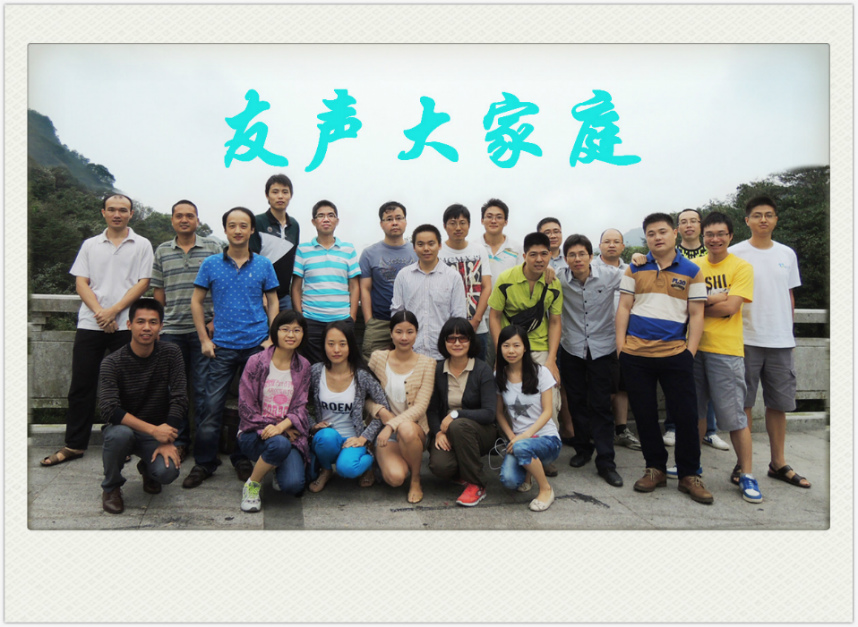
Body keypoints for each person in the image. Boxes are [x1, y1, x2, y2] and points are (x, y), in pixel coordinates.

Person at [42, 194, 153, 468]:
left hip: (126, 324)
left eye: (123, 210)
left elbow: (143, 283)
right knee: (82, 385)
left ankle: (123, 442)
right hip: (91, 323)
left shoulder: (142, 244)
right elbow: (81, 283)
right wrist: (101, 314)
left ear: (131, 214)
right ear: (103, 212)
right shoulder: (90, 244)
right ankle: (74, 444)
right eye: (112, 209)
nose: (117, 214)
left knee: (127, 387)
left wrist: (114, 311)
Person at [616, 212, 713, 504]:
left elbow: (697, 314)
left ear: (674, 233)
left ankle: (689, 474)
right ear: (646, 238)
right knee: (645, 416)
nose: (657, 237)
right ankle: (655, 468)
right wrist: (621, 348)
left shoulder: (693, 271)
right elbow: (624, 308)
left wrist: (689, 352)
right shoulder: (635, 268)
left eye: (662, 231)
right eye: (651, 234)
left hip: (675, 354)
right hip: (636, 355)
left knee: (686, 416)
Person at [183, 207, 280, 489]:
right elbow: (196, 301)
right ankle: (204, 462)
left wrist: (271, 338)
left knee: (251, 408)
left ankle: (243, 459)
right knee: (210, 406)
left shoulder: (264, 264)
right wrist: (204, 339)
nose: (238, 230)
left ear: (252, 230)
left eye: (244, 225)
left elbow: (273, 301)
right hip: (222, 347)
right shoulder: (211, 264)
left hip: (256, 346)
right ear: (225, 229)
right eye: (232, 225)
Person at [730, 195, 810, 488]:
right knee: (744, 404)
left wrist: (788, 329)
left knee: (779, 404)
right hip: (745, 338)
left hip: (780, 340)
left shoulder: (787, 254)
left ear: (776, 219)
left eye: (769, 215)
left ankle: (778, 463)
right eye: (757, 215)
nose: (763, 219)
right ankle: (743, 463)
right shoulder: (734, 253)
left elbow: (789, 294)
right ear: (747, 220)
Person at [684, 212, 760, 503]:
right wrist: (717, 297)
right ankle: (692, 468)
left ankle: (747, 473)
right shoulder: (694, 267)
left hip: (726, 351)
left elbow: (731, 308)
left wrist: (702, 303)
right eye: (710, 235)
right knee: (695, 414)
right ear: (703, 236)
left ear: (730, 236)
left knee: (734, 417)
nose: (715, 239)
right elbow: (686, 305)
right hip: (694, 347)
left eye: (721, 234)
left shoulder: (741, 267)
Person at [487, 232, 568, 473]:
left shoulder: (553, 282)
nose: (539, 259)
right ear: (524, 256)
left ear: (551, 255)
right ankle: (514, 447)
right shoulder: (506, 279)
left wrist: (551, 359)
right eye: (533, 254)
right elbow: (494, 316)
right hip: (510, 347)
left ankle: (544, 453)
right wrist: (500, 353)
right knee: (509, 400)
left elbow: (555, 321)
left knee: (551, 401)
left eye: (544, 254)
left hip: (539, 347)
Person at [98, 298, 187, 514]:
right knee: (119, 435)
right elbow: (108, 409)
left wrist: (166, 437)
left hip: (157, 431)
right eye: (140, 321)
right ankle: (111, 487)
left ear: (161, 327)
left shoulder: (171, 353)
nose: (146, 327)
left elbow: (180, 398)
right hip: (124, 429)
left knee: (167, 472)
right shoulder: (112, 362)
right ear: (129, 325)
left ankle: (148, 468)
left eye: (153, 322)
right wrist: (154, 431)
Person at [151, 199, 223, 461]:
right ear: (172, 220)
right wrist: (162, 321)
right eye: (179, 216)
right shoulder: (162, 251)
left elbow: (223, 286)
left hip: (205, 330)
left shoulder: (213, 248)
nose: (184, 220)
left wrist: (215, 320)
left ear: (197, 220)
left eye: (190, 216)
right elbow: (159, 292)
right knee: (174, 390)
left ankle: (204, 445)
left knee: (203, 390)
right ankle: (179, 441)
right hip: (172, 330)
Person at [558, 234, 624, 487]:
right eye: (572, 255)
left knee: (601, 405)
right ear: (565, 259)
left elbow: (636, 276)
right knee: (576, 402)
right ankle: (583, 449)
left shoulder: (610, 275)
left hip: (602, 348)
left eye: (582, 254)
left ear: (591, 255)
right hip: (572, 347)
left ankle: (606, 462)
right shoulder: (559, 277)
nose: (577, 259)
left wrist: (642, 258)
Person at [663, 208, 727, 451]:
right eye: (683, 221)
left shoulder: (712, 252)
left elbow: (725, 291)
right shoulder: (671, 253)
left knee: (705, 384)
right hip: (677, 327)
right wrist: (712, 297)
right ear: (677, 229)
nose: (688, 225)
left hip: (709, 329)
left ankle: (709, 430)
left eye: (693, 221)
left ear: (701, 225)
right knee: (675, 380)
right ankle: (672, 427)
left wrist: (704, 299)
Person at [236, 310, 312, 513]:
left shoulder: (303, 366)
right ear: (275, 332)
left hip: (286, 433)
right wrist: (278, 429)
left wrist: (282, 427)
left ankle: (274, 465)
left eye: (297, 330)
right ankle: (252, 484)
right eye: (285, 329)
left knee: (293, 485)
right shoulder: (256, 362)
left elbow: (301, 406)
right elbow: (246, 406)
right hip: (254, 433)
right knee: (279, 444)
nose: (291, 335)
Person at [307, 321, 389, 492]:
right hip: (327, 437)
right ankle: (326, 470)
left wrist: (364, 437)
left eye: (342, 344)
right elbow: (298, 404)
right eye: (331, 344)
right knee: (325, 437)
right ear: (323, 345)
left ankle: (369, 464)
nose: (336, 349)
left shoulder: (362, 376)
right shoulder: (315, 371)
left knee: (347, 469)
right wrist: (312, 424)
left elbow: (384, 407)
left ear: (350, 345)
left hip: (353, 439)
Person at [365, 310, 436, 503]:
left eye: (409, 332)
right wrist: (380, 411)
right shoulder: (378, 358)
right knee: (395, 478)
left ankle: (415, 479)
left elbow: (420, 407)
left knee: (405, 428)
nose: (404, 337)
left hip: (413, 430)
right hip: (384, 434)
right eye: (399, 332)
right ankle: (381, 461)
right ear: (391, 333)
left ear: (416, 334)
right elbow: (365, 397)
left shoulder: (428, 363)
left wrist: (391, 425)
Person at [427, 317, 498, 507]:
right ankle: (463, 470)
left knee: (458, 425)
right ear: (444, 342)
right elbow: (432, 410)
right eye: (451, 338)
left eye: (463, 338)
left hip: (480, 432)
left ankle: (476, 484)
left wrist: (455, 415)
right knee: (440, 466)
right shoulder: (438, 369)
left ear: (471, 341)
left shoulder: (482, 370)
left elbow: (489, 413)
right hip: (447, 431)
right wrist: (438, 432)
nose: (457, 343)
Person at [495, 325, 561, 512]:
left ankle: (546, 489)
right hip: (519, 441)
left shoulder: (541, 372)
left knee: (522, 447)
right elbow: (499, 413)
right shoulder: (499, 375)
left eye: (516, 345)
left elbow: (547, 411)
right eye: (506, 346)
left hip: (546, 439)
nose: (511, 350)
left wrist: (524, 436)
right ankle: (528, 473)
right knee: (509, 480)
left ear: (525, 348)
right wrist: (512, 437)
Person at [291, 200, 360, 364]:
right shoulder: (303, 250)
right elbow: (296, 287)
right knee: (313, 367)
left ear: (337, 220)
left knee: (341, 365)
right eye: (321, 216)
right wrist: (301, 316)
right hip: (311, 319)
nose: (326, 219)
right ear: (313, 221)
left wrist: (352, 317)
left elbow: (354, 286)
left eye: (331, 215)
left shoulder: (348, 249)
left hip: (342, 318)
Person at [593, 228, 641, 451]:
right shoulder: (590, 268)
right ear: (599, 246)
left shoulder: (632, 270)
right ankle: (599, 430)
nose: (611, 245)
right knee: (602, 387)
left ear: (623, 246)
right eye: (607, 241)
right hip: (597, 337)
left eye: (616, 242)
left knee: (623, 385)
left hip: (626, 336)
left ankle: (621, 430)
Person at [391, 224, 467, 360]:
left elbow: (458, 316)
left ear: (439, 245)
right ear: (414, 247)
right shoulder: (403, 276)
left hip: (443, 354)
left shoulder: (453, 277)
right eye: (420, 244)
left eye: (431, 244)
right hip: (411, 353)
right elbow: (397, 313)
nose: (426, 248)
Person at [359, 201, 418, 360]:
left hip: (412, 322)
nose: (394, 223)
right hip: (379, 322)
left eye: (399, 218)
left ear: (405, 221)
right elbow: (364, 288)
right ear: (381, 224)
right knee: (371, 365)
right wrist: (369, 321)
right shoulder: (369, 253)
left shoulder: (416, 251)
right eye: (389, 219)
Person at [439, 203, 493, 360]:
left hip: (477, 328)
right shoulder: (439, 253)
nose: (458, 228)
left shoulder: (479, 250)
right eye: (452, 223)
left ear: (469, 225)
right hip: (446, 328)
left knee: (477, 369)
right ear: (444, 226)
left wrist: (476, 320)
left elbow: (486, 287)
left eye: (462, 223)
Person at [479, 198, 522, 367]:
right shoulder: (474, 247)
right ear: (482, 220)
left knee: (506, 365)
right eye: (489, 216)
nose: (493, 220)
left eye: (499, 217)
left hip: (507, 317)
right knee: (482, 365)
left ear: (506, 221)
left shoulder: (517, 248)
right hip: (480, 317)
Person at [250, 173, 301, 312]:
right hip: (260, 296)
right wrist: (261, 293)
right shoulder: (257, 222)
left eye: (285, 192)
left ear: (290, 195)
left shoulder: (294, 225)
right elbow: (252, 260)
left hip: (284, 296)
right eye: (275, 192)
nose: (280, 196)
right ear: (267, 195)